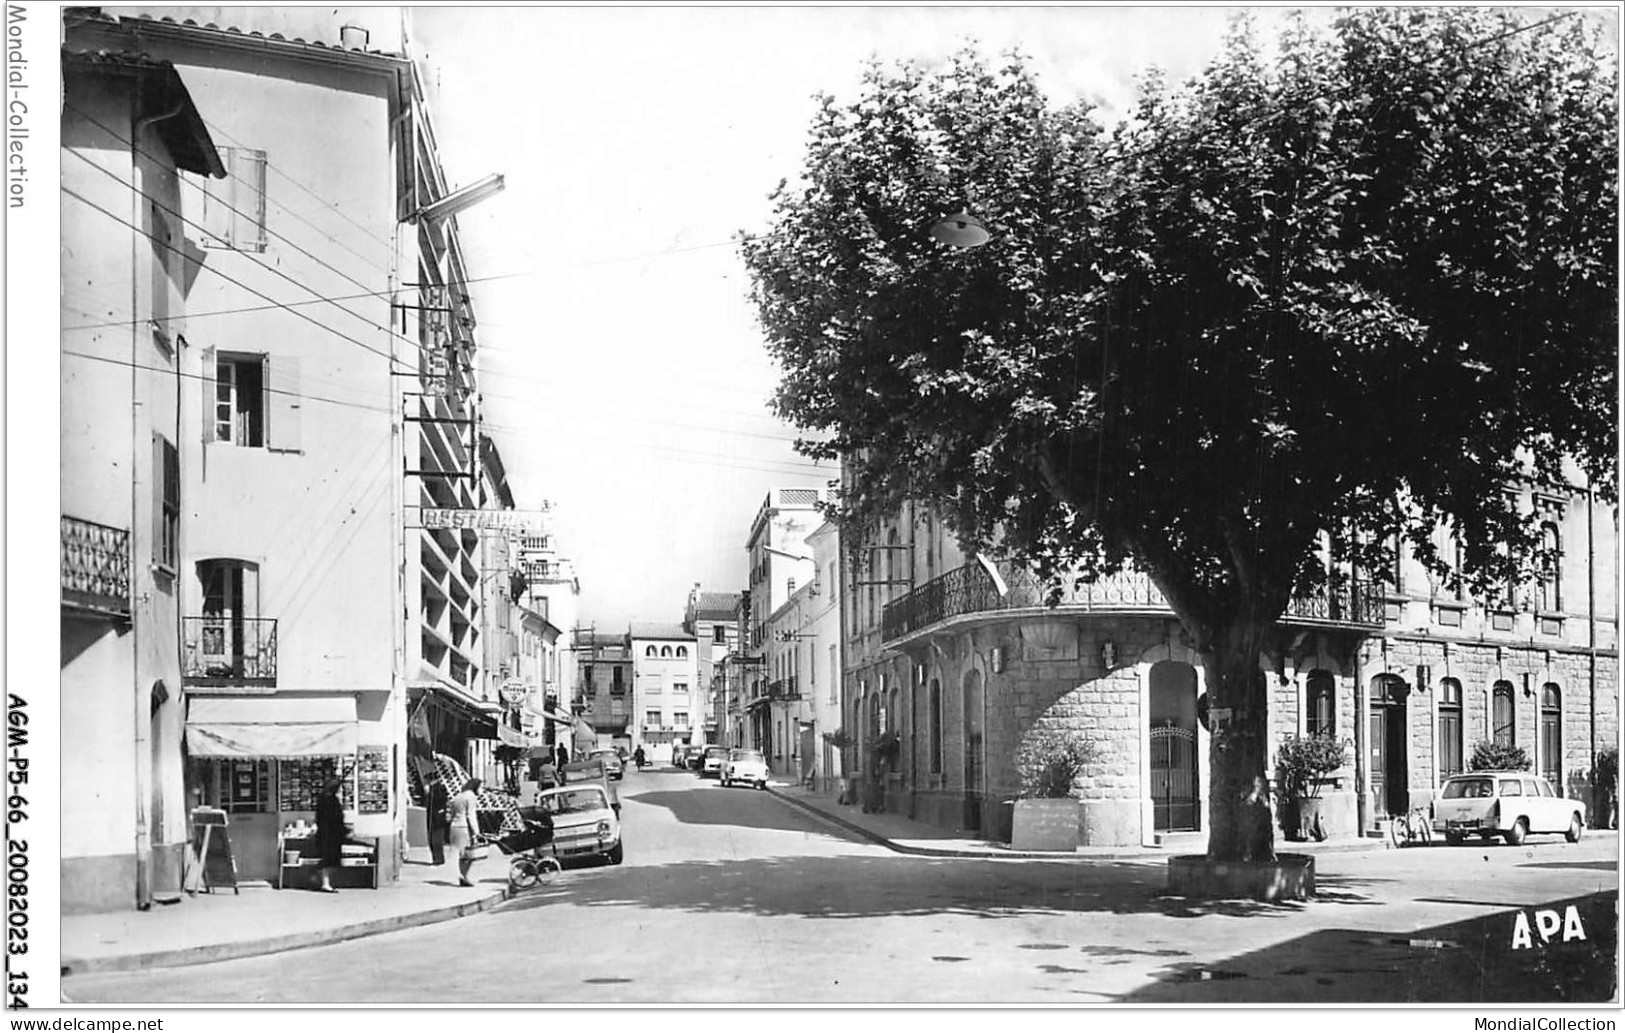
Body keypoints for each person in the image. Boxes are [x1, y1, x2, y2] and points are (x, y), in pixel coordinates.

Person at [314, 776, 347, 893]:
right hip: (331, 835)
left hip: (324, 834)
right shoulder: (332, 801)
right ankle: (324, 882)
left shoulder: (322, 800)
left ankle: (323, 880)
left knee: (328, 859)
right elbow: (336, 819)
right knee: (329, 859)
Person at [447, 776, 482, 887]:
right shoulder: (471, 797)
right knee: (469, 854)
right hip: (464, 827)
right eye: (480, 787)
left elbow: (451, 813)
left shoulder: (458, 796)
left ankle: (462, 876)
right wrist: (476, 831)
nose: (481, 790)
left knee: (459, 853)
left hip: (454, 827)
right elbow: (471, 815)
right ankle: (462, 876)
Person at [425, 774, 450, 866]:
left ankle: (438, 858)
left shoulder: (439, 788)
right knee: (432, 838)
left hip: (437, 817)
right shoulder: (433, 788)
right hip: (433, 816)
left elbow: (441, 800)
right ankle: (436, 858)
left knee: (436, 838)